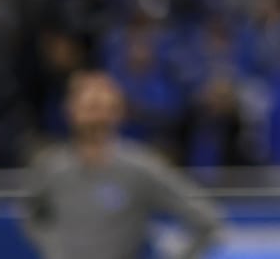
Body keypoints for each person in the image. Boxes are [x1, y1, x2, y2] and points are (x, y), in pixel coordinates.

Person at [18, 70, 221, 259]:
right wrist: (53, 249)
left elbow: (206, 220)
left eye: (101, 107)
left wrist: (181, 254)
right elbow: (31, 212)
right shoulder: (51, 166)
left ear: (118, 112)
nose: (95, 116)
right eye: (89, 107)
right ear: (70, 111)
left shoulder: (141, 167)